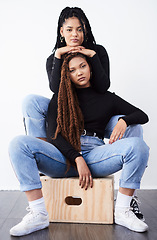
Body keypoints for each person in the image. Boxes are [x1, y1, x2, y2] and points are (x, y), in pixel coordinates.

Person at [23, 6, 144, 219]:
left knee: (132, 123)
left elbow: (102, 87)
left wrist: (92, 56)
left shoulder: (97, 51)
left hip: (99, 117)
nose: (75, 35)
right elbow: (56, 90)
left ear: (85, 29)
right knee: (31, 102)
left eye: (79, 29)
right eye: (69, 30)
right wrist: (59, 56)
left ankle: (128, 196)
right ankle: (42, 155)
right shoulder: (54, 58)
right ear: (61, 32)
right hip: (70, 115)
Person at [9, 52, 149, 236]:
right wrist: (77, 158)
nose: (79, 72)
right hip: (62, 157)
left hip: (96, 155)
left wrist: (124, 120)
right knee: (18, 143)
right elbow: (54, 135)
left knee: (138, 146)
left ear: (90, 67)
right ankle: (38, 213)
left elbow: (142, 115)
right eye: (72, 70)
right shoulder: (60, 98)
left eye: (83, 66)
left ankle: (123, 210)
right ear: (67, 75)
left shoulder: (108, 98)